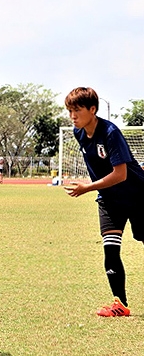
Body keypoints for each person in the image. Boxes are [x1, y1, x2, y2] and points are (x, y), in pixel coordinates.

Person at [64, 87, 144, 317]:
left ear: (93, 109)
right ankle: (120, 304)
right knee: (110, 249)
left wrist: (87, 187)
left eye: (77, 110)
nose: (73, 116)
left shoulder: (110, 132)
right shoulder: (78, 133)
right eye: (70, 111)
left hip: (138, 196)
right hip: (109, 200)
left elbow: (121, 174)